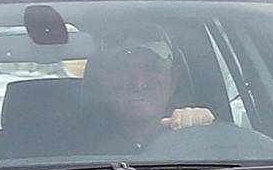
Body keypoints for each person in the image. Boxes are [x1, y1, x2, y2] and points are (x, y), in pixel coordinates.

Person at [82, 22, 215, 153]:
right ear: (105, 81)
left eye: (151, 69)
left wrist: (203, 132)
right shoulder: (74, 146)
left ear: (173, 79)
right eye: (123, 69)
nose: (138, 85)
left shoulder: (195, 136)